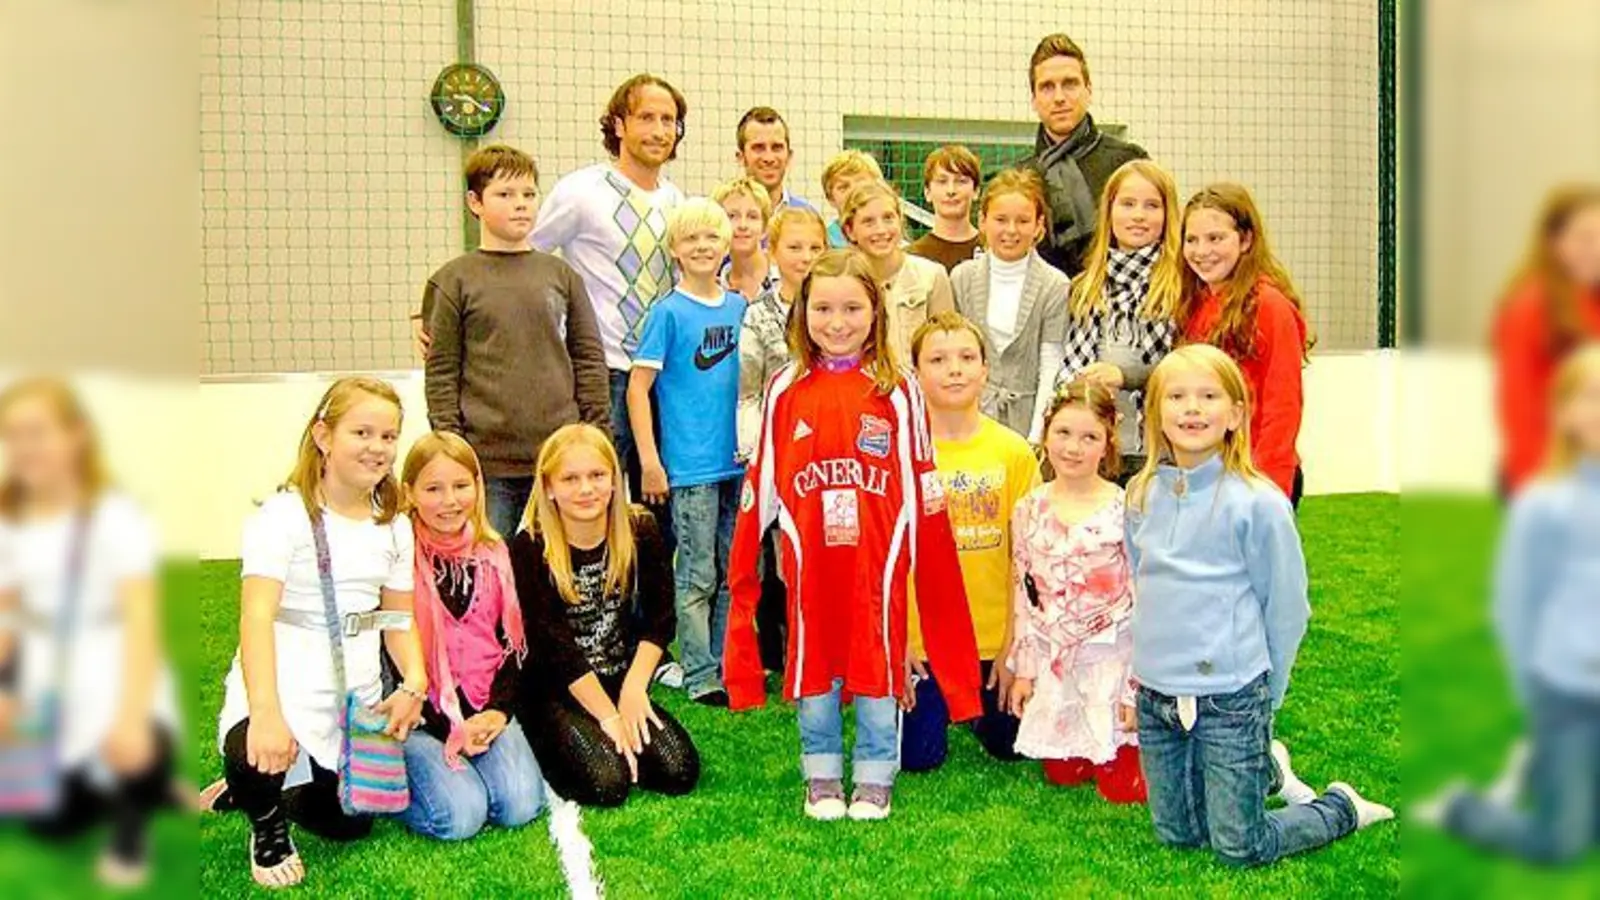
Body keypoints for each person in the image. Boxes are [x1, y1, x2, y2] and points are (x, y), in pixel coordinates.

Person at [724, 249, 981, 821]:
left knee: (877, 661)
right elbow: (761, 481)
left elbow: (919, 479)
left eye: (851, 308)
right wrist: (749, 555)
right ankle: (819, 774)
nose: (836, 323)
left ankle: (873, 774)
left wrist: (921, 555)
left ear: (876, 312)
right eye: (823, 308)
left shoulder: (899, 389)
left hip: (877, 561)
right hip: (810, 563)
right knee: (812, 661)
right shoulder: (784, 388)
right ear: (802, 313)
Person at [1127, 345, 1392, 868]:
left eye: (1208, 396)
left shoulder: (1258, 503)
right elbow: (1145, 583)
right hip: (1157, 696)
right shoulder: (1140, 495)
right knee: (1178, 835)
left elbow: (1287, 607)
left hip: (1231, 696)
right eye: (1176, 397)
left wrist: (1267, 695)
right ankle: (1264, 768)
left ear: (1236, 414)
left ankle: (1341, 806)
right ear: (1153, 412)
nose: (1192, 409)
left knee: (1240, 847)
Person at [209, 377, 427, 888]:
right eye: (362, 432)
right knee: (256, 748)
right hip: (286, 682)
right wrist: (265, 712)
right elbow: (256, 617)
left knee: (350, 824)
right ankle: (264, 822)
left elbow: (397, 618)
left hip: (354, 693)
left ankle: (256, 786)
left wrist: (413, 681)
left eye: (389, 436)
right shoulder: (281, 517)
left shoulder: (394, 523)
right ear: (323, 436)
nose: (378, 448)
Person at [1416, 343, 1600, 864]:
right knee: (1562, 844)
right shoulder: (1545, 506)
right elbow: (1517, 607)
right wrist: (1537, 696)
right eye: (1589, 396)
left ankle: (1545, 768)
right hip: (1569, 696)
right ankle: (1463, 809)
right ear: (1564, 413)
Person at [0, 379, 181, 888]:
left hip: (114, 675)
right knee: (49, 827)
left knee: (127, 753)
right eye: (13, 435)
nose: (24, 447)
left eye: (38, 432)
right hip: (45, 679)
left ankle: (140, 795)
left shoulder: (116, 518)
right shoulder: (7, 518)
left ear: (77, 435)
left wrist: (130, 720)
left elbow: (141, 625)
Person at [418, 144, 610, 538]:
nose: (520, 205)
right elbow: (441, 372)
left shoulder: (562, 276)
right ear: (475, 202)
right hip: (489, 465)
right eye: (505, 195)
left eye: (528, 194)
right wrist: (455, 448)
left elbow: (588, 358)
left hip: (558, 460)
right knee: (493, 568)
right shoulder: (454, 280)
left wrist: (594, 432)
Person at [509, 424, 700, 807]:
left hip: (616, 678)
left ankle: (602, 731)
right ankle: (542, 740)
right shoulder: (530, 545)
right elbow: (554, 647)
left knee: (678, 771)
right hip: (555, 691)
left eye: (597, 475)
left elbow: (661, 620)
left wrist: (632, 692)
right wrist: (609, 719)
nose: (586, 489)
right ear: (548, 487)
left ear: (614, 479)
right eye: (570, 479)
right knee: (606, 784)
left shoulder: (640, 529)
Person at [530, 73, 689, 500]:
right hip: (604, 374)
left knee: (659, 502)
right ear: (618, 125)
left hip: (663, 376)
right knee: (601, 496)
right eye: (646, 117)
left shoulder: (678, 202)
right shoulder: (581, 191)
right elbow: (529, 259)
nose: (659, 131)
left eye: (669, 120)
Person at [901, 312, 1040, 773]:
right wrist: (900, 642)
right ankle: (939, 705)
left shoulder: (1013, 452)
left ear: (985, 369)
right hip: (925, 646)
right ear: (916, 373)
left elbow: (1027, 563)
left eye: (966, 357)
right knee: (918, 758)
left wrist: (1013, 648)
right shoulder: (904, 455)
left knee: (1012, 747)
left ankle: (979, 710)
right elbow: (890, 559)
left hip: (991, 641)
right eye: (938, 359)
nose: (954, 369)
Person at [392, 432, 544, 840]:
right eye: (433, 489)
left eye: (462, 486)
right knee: (461, 818)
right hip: (422, 717)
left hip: (484, 706)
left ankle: (465, 768)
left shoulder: (496, 555)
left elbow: (515, 646)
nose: (450, 501)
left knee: (519, 804)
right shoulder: (396, 558)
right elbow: (392, 655)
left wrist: (496, 713)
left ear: (478, 486)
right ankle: (391, 790)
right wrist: (449, 727)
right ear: (409, 492)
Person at [628, 198, 748, 704]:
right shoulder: (668, 314)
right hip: (690, 466)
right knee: (697, 570)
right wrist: (652, 461)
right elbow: (638, 390)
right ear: (675, 250)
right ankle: (697, 672)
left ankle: (723, 661)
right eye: (691, 239)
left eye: (711, 238)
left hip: (738, 461)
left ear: (726, 246)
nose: (702, 247)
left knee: (733, 569)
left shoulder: (741, 308)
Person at [1007, 379, 1143, 803]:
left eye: (1089, 437)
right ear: (1046, 434)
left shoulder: (1126, 509)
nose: (1073, 447)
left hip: (1112, 656)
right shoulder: (1029, 507)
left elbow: (1144, 601)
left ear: (1107, 444)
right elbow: (1023, 593)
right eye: (1063, 433)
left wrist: (1134, 689)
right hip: (1055, 659)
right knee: (1063, 775)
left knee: (1122, 789)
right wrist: (1025, 671)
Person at [1177, 184, 1314, 505]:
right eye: (1191, 239)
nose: (1201, 250)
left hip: (1255, 474)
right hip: (1209, 470)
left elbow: (1283, 404)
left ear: (1246, 240)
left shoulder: (1269, 305)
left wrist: (1267, 489)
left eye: (1215, 238)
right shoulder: (1195, 304)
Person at [737, 205, 828, 676]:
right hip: (779, 454)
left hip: (830, 454)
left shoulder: (836, 308)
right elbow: (748, 391)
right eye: (794, 247)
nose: (806, 256)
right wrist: (757, 455)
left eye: (816, 247)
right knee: (779, 559)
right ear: (771, 251)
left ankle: (829, 649)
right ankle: (784, 654)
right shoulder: (757, 315)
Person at [1059, 160, 1184, 477]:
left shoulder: (1183, 285)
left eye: (1152, 205)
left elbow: (1187, 369)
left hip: (1161, 453)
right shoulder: (1084, 288)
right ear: (1109, 211)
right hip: (1099, 453)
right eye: (1127, 204)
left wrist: (1123, 375)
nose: (1139, 215)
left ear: (1168, 215)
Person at [1492, 184, 1600, 496]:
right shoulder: (1530, 308)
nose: (1596, 248)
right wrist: (1539, 486)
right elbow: (1519, 406)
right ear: (1555, 242)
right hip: (1548, 475)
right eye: (1584, 237)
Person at [950, 168, 1069, 440]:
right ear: (982, 221)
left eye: (1023, 221)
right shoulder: (962, 278)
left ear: (1039, 225)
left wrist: (1037, 435)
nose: (1011, 231)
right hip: (970, 419)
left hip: (1026, 422)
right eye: (1001, 220)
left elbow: (1050, 365)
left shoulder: (1054, 285)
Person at [1026, 33, 1149, 277]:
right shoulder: (1020, 178)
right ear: (1034, 100)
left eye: (1070, 84)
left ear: (1088, 90)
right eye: (1047, 87)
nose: (1059, 97)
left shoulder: (1128, 163)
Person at [840, 179, 955, 364]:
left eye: (888, 218)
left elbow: (947, 348)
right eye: (868, 222)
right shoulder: (840, 283)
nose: (881, 229)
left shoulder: (931, 276)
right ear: (850, 230)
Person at [908, 145, 982, 272]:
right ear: (927, 192)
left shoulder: (993, 250)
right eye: (942, 181)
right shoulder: (912, 258)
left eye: (961, 181)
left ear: (976, 191)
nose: (951, 190)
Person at [735, 106, 814, 213]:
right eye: (759, 148)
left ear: (789, 156)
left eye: (777, 147)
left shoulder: (807, 215)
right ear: (741, 157)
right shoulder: (721, 216)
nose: (769, 158)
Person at [712, 176, 778, 300]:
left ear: (765, 228)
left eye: (752, 216)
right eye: (732, 216)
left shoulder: (784, 276)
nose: (743, 225)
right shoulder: (714, 285)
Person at [819, 150, 884, 249]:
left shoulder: (892, 239)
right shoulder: (823, 243)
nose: (853, 193)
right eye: (843, 187)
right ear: (830, 199)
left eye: (861, 185)